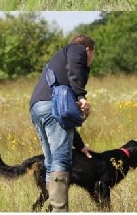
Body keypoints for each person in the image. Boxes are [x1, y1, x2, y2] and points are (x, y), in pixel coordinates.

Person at [29, 34, 96, 212]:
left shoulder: (57, 61)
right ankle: (60, 211)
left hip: (37, 109)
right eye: (92, 54)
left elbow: (65, 118)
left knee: (51, 161)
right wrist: (81, 96)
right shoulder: (77, 49)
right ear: (88, 50)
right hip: (51, 107)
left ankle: (52, 210)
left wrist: (80, 145)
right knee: (61, 161)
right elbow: (75, 67)